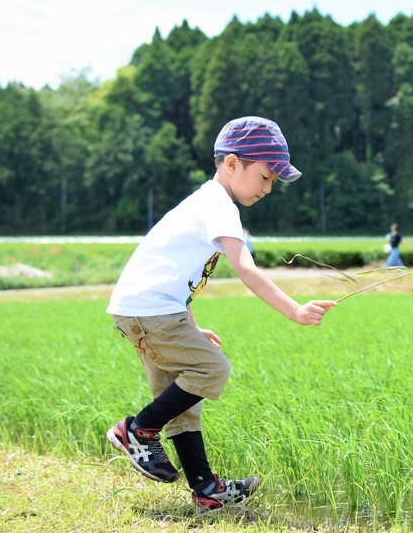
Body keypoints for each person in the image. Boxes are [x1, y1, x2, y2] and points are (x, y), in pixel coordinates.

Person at [106, 116, 336, 511]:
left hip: (146, 310)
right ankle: (138, 431)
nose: (267, 188)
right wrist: (295, 310)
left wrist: (190, 326)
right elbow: (246, 268)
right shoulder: (220, 208)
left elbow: (175, 275)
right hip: (152, 312)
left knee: (180, 397)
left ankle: (205, 490)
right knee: (213, 370)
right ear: (232, 164)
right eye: (264, 176)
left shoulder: (203, 204)